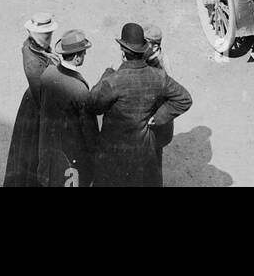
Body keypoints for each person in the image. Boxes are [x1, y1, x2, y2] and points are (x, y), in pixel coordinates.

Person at [87, 22, 193, 187]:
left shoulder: (113, 80)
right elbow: (184, 99)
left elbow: (93, 105)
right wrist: (159, 116)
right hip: (144, 149)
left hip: (114, 149)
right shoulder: (159, 76)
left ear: (123, 52)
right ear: (144, 50)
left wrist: (108, 71)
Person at [3, 12, 59, 186]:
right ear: (35, 34)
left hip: (38, 101)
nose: (49, 38)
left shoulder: (37, 46)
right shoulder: (32, 62)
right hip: (37, 108)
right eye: (46, 34)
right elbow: (42, 94)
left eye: (50, 34)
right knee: (33, 152)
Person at [37, 29, 98, 188]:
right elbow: (89, 132)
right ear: (77, 58)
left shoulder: (48, 73)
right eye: (84, 53)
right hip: (72, 160)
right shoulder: (79, 89)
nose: (85, 56)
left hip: (48, 154)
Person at [143, 24, 173, 170]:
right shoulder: (161, 57)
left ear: (152, 45)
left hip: (153, 125)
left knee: (151, 164)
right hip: (156, 126)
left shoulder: (157, 65)